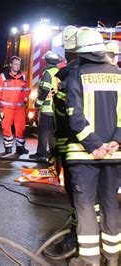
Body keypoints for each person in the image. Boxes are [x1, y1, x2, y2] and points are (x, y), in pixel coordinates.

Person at [65, 28, 121, 266]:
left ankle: (89, 261)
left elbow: (74, 115)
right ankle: (113, 257)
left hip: (84, 155)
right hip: (115, 153)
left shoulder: (76, 75)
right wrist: (115, 142)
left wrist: (94, 145)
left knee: (86, 205)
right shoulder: (119, 75)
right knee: (110, 202)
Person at [51, 25, 79, 253]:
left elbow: (64, 116)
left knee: (80, 195)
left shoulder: (71, 76)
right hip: (110, 149)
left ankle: (78, 238)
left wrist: (58, 148)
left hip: (77, 149)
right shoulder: (114, 76)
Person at [0, 56, 31, 154]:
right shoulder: (2, 77)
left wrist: (25, 100)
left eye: (18, 64)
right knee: (6, 127)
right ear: (11, 65)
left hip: (19, 108)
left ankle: (20, 147)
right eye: (15, 64)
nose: (17, 66)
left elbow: (27, 91)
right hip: (6, 107)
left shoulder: (23, 77)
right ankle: (8, 146)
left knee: (21, 128)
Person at [29, 51, 61, 160]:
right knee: (53, 133)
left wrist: (38, 103)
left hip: (47, 108)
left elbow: (45, 90)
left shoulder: (47, 73)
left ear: (46, 61)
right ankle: (53, 153)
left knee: (43, 132)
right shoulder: (59, 72)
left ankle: (41, 153)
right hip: (56, 109)